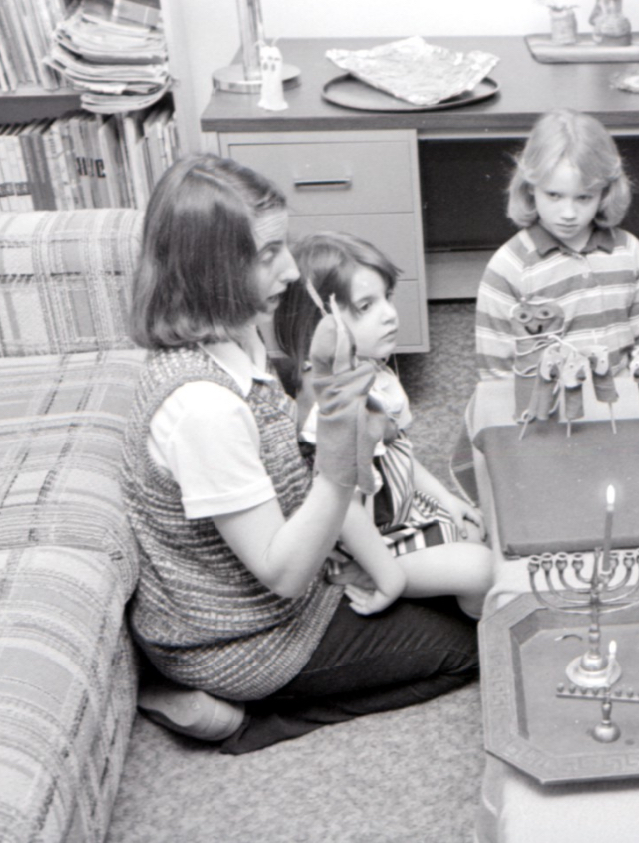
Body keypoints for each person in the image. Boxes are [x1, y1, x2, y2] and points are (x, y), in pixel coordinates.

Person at [122, 155, 481, 754]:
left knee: (463, 592)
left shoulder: (237, 336)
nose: (289, 269)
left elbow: (288, 469)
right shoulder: (201, 409)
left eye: (282, 246)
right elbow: (285, 576)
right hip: (241, 638)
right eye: (266, 255)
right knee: (470, 648)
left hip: (288, 580)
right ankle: (240, 722)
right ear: (209, 268)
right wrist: (341, 432)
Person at [274, 231, 493, 618]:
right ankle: (467, 638)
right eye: (365, 306)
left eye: (386, 298)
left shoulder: (374, 372)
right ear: (318, 327)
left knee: (477, 529)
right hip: (368, 543)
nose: (389, 314)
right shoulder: (331, 410)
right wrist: (387, 575)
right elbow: (345, 513)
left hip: (397, 516)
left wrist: (447, 499)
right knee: (483, 571)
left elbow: (399, 452)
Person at [474, 108, 639, 380]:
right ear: (530, 187)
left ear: (605, 193)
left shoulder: (629, 252)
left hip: (621, 402)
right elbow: (495, 372)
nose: (568, 213)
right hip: (546, 410)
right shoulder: (508, 268)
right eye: (554, 195)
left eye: (584, 198)